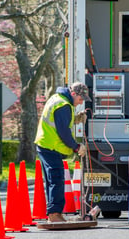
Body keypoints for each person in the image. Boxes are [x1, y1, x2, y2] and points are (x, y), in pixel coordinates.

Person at [34, 82, 91, 222]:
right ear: (73, 94)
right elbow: (63, 132)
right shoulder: (64, 105)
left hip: (45, 144)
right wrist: (77, 147)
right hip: (50, 146)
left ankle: (54, 213)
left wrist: (76, 119)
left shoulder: (58, 99)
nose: (81, 102)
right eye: (80, 98)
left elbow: (60, 122)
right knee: (57, 179)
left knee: (52, 180)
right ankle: (54, 214)